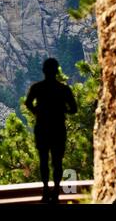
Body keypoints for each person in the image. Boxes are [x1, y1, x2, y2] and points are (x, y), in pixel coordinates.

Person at [25, 58, 77, 203]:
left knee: (43, 160)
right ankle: (56, 192)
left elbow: (28, 103)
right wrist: (62, 110)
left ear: (44, 70)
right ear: (57, 70)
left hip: (42, 127)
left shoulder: (37, 87)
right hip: (58, 128)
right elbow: (74, 109)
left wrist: (37, 112)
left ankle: (46, 189)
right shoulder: (64, 89)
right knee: (57, 161)